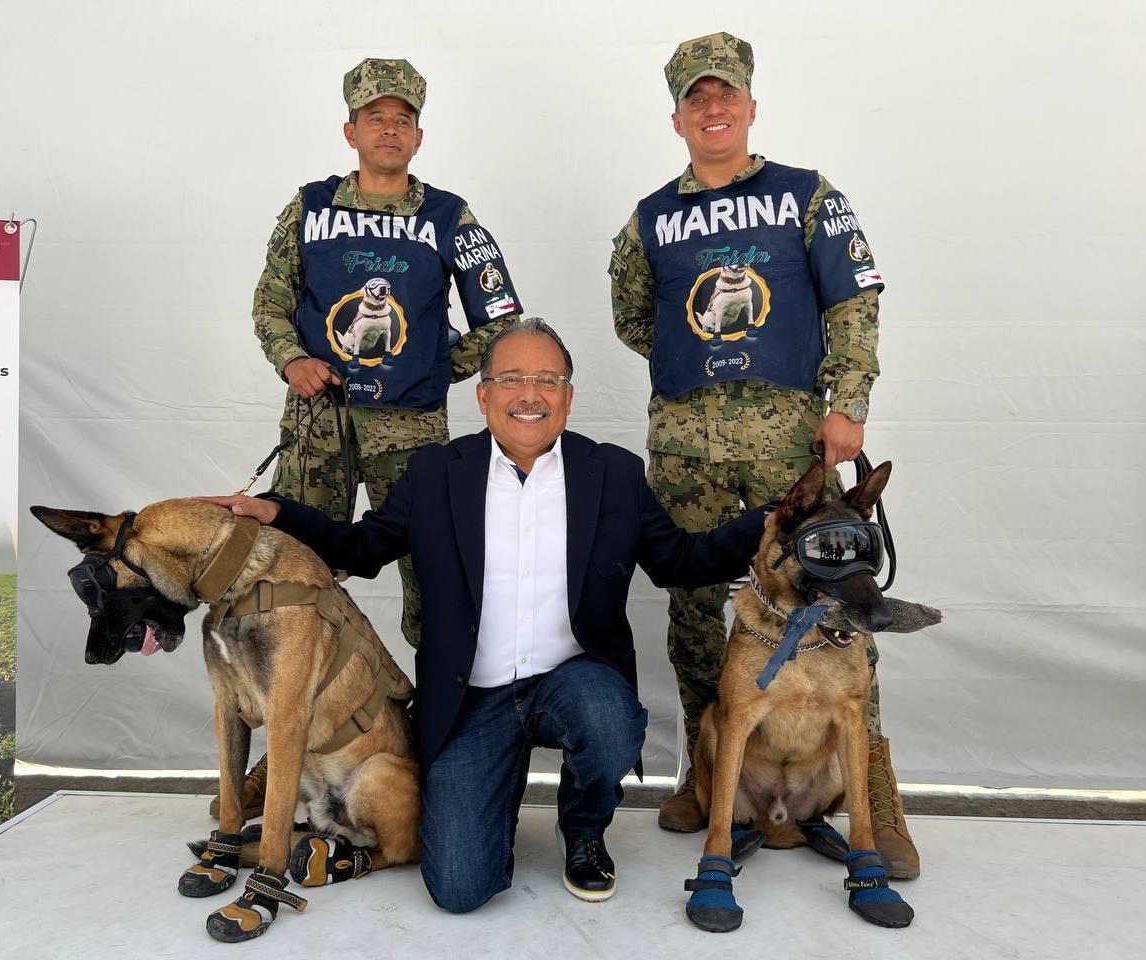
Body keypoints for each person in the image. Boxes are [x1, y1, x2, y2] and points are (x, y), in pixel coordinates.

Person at [203, 318, 768, 912]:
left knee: (609, 720)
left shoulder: (614, 474)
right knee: (459, 888)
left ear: (569, 397)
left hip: (573, 680)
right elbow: (361, 549)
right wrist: (277, 512)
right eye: (512, 379)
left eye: (548, 380)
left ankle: (582, 828)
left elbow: (680, 561)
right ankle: (493, 797)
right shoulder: (436, 473)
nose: (531, 394)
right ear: (483, 394)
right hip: (473, 696)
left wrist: (769, 521)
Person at [608, 31, 919, 877]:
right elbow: (638, 321)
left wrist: (846, 406)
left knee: (838, 606)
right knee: (692, 613)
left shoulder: (806, 197)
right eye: (696, 98)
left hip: (793, 450)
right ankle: (707, 778)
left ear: (751, 105)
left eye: (726, 95)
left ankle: (877, 804)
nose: (713, 109)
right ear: (676, 116)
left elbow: (854, 303)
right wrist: (707, 371)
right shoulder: (649, 218)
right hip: (683, 450)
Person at [227, 57, 523, 818]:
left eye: (403, 119)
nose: (389, 130)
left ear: (419, 135)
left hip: (413, 427)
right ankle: (282, 758)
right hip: (319, 424)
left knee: (435, 584)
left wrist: (433, 365)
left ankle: (432, 746)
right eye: (375, 117)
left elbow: (501, 321)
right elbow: (270, 302)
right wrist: (291, 357)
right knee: (292, 586)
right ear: (350, 129)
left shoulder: (451, 217)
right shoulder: (310, 207)